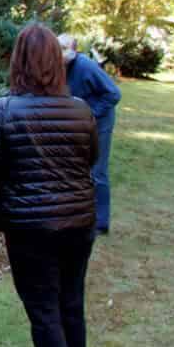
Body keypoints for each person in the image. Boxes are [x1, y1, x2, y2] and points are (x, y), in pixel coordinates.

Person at [0, 22, 98, 347]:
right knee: (69, 302)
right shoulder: (81, 110)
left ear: (18, 62)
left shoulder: (2, 111)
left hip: (31, 228)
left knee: (44, 307)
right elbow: (89, 159)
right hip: (78, 222)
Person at [58, 33, 121, 235]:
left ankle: (100, 223)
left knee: (97, 171)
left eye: (64, 49)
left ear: (73, 51)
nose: (59, 54)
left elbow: (113, 93)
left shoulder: (86, 66)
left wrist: (91, 115)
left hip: (99, 123)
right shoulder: (59, 66)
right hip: (79, 122)